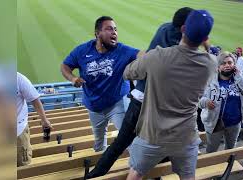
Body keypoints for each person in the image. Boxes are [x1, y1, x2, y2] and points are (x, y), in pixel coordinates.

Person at [85, 7, 198, 179]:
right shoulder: (181, 46)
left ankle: (92, 176)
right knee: (157, 145)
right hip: (155, 106)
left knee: (121, 144)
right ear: (184, 27)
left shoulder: (164, 29)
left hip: (140, 101)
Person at [124, 10, 216, 180]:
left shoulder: (157, 57)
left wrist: (145, 58)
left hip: (153, 136)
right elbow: (211, 55)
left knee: (135, 174)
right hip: (186, 138)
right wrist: (207, 46)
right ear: (205, 39)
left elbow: (127, 73)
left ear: (182, 29)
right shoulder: (210, 64)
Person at [61, 16, 144, 152]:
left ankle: (138, 168)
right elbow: (65, 66)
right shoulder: (82, 50)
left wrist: (158, 54)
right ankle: (101, 167)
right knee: (99, 143)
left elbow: (142, 54)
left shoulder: (122, 50)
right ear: (97, 33)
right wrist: (72, 78)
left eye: (115, 30)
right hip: (94, 106)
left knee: (128, 138)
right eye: (109, 29)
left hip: (117, 104)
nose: (114, 32)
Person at [199, 52, 243, 153]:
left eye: (230, 62)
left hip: (234, 123)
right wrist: (205, 102)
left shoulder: (239, 79)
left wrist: (239, 75)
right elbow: (198, 100)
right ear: (218, 67)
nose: (227, 65)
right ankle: (211, 168)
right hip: (214, 123)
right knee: (211, 149)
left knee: (230, 149)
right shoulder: (210, 81)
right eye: (223, 63)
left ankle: (228, 167)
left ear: (234, 65)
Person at [17, 72, 52, 166]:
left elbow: (34, 100)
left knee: (22, 163)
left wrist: (44, 120)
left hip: (18, 128)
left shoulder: (18, 78)